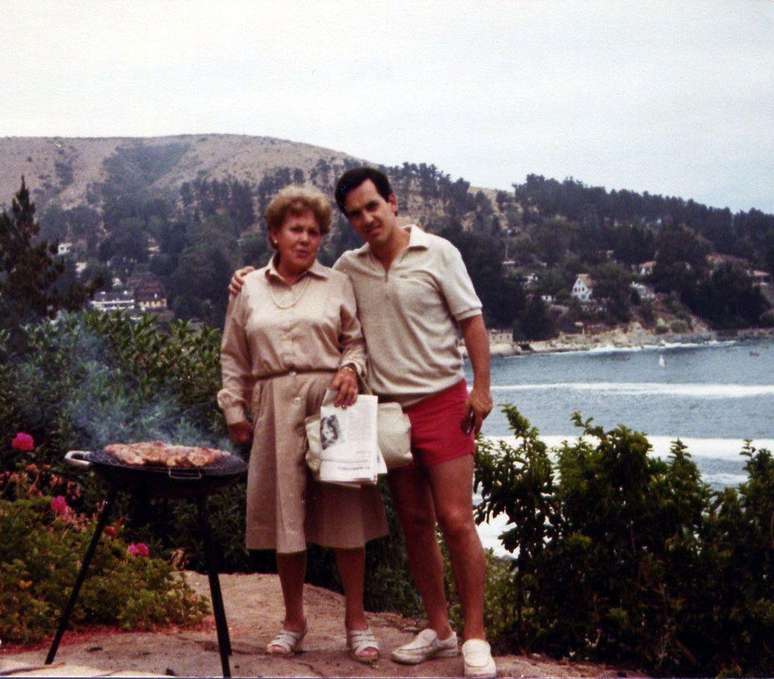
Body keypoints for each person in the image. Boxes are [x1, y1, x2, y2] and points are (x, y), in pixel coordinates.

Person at [229, 168, 496, 679]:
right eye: (355, 214)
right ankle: (439, 631)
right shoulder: (349, 268)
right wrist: (245, 276)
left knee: (457, 521)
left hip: (443, 400)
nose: (366, 218)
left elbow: (473, 322)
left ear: (393, 203)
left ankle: (476, 636)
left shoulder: (439, 253)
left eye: (373, 206)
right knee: (415, 524)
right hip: (389, 411)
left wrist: (481, 390)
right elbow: (299, 283)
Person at [218, 186, 388, 664]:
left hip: (330, 404)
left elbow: (355, 342)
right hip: (273, 405)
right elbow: (233, 355)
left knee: (344, 514)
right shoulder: (248, 288)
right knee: (285, 519)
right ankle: (294, 620)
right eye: (296, 229)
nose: (306, 239)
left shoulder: (336, 283)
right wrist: (235, 411)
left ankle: (357, 621)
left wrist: (350, 370)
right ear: (275, 234)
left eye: (314, 232)